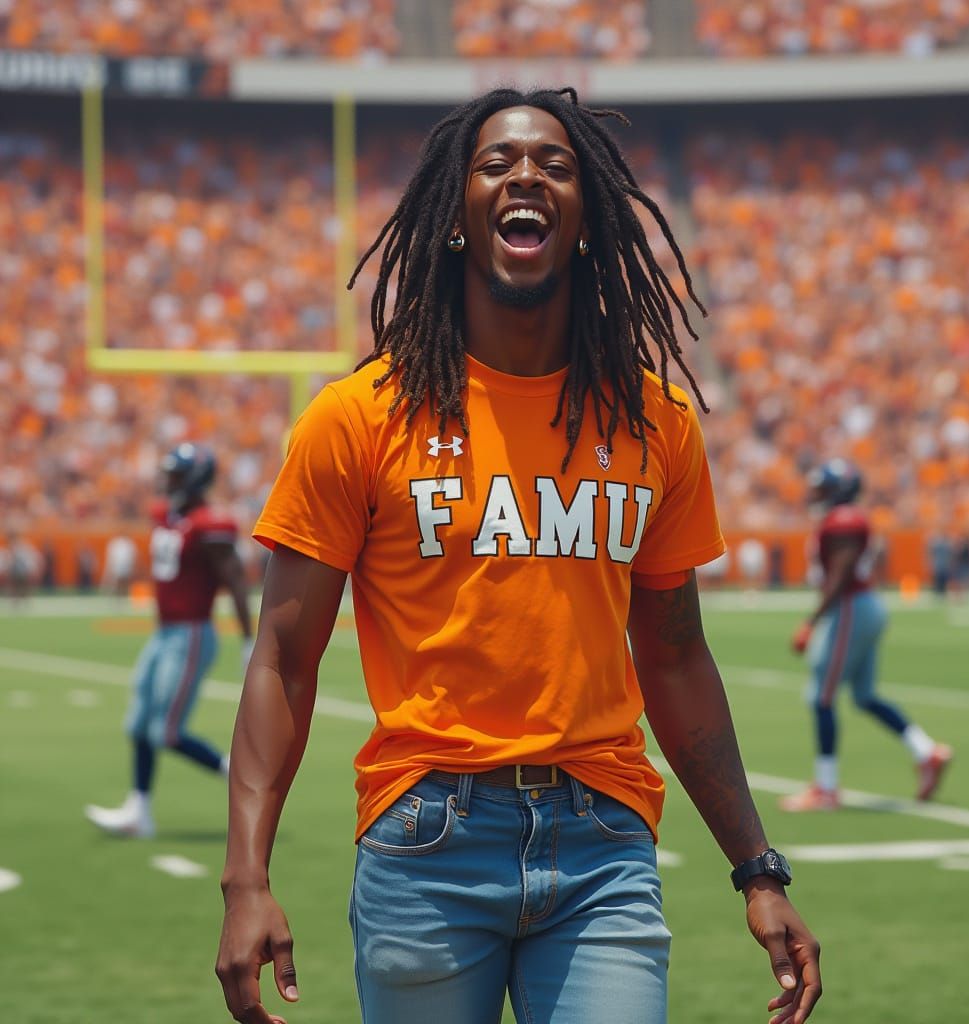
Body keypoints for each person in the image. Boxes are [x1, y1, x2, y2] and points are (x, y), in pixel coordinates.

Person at [216, 88, 822, 1024]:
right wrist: (244, 881)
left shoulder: (656, 421)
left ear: (587, 216)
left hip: (604, 839)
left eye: (555, 163)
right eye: (496, 163)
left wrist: (758, 868)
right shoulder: (358, 417)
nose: (526, 176)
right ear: (456, 214)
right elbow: (284, 664)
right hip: (426, 839)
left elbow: (674, 657)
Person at [85, 442, 253, 839]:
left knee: (168, 732)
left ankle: (240, 777)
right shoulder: (168, 516)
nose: (168, 480)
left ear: (194, 478)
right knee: (139, 723)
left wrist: (249, 640)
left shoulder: (209, 525)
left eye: (176, 474)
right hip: (164, 632)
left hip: (191, 633)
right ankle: (138, 811)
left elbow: (235, 583)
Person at [783, 458, 953, 812]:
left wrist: (811, 621)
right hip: (863, 605)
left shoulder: (844, 519)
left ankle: (826, 788)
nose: (818, 494)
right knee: (864, 696)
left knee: (821, 696)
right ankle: (926, 751)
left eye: (825, 488)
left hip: (850, 606)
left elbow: (841, 574)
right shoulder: (841, 518)